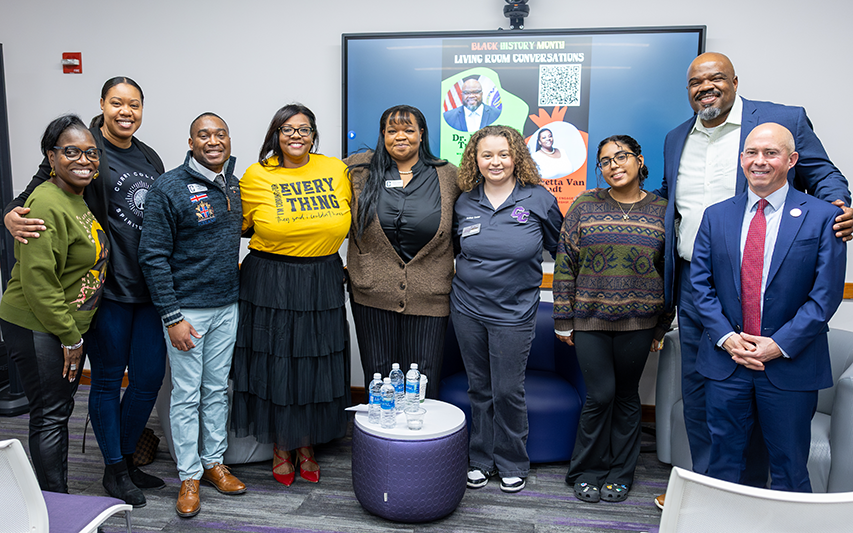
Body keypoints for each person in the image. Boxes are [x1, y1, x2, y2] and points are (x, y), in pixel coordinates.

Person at [654, 52, 852, 507]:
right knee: (705, 397)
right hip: (697, 282)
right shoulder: (675, 137)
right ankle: (709, 490)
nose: (705, 87)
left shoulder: (781, 120)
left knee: (771, 405)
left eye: (716, 78)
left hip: (776, 273)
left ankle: (765, 497)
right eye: (695, 82)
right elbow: (673, 203)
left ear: (735, 81)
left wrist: (839, 211)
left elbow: (823, 175)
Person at [3, 77, 166, 507]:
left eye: (134, 104)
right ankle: (112, 470)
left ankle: (128, 459)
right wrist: (7, 216)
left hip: (146, 289)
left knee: (147, 380)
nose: (125, 111)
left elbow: (165, 218)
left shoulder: (149, 156)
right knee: (105, 383)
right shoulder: (77, 146)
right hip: (104, 293)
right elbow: (28, 199)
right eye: (117, 102)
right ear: (102, 105)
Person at [690, 123, 845, 491]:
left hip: (791, 364)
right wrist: (727, 338)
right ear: (742, 158)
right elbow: (700, 284)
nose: (759, 161)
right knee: (724, 465)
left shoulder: (824, 216)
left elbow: (825, 296)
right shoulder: (716, 215)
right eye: (751, 153)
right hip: (728, 363)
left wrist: (777, 344)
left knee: (790, 466)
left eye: (770, 153)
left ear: (791, 160)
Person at [230, 104, 352, 487]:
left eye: (304, 128)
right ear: (276, 135)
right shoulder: (256, 175)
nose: (296, 135)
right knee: (276, 361)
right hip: (271, 279)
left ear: (314, 134)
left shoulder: (336, 170)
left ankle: (306, 444)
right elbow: (238, 226)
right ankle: (283, 446)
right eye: (287, 129)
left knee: (316, 362)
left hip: (323, 277)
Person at [553, 135, 673, 503]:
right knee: (600, 395)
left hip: (639, 321)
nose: (613, 165)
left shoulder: (662, 210)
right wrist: (562, 317)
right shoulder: (585, 205)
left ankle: (621, 473)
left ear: (639, 161)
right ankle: (587, 470)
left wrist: (661, 325)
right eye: (604, 161)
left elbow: (671, 272)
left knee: (626, 396)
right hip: (590, 318)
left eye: (621, 157)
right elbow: (564, 262)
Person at [138, 113, 245, 518]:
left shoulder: (231, 183)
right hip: (187, 312)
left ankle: (214, 462)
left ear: (229, 140)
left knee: (217, 389)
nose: (213, 141)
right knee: (186, 394)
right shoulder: (169, 188)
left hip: (226, 306)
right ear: (191, 141)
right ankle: (189, 476)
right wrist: (171, 316)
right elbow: (152, 256)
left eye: (220, 134)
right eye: (204, 135)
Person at [0, 114, 108, 493]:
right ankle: (54, 507)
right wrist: (71, 338)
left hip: (59, 326)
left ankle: (55, 497)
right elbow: (38, 283)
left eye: (91, 153)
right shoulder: (45, 202)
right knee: (49, 416)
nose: (84, 160)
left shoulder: (74, 197)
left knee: (57, 413)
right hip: (38, 325)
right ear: (52, 155)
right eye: (72, 152)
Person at [452, 125, 563, 494]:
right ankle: (481, 459)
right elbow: (453, 249)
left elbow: (560, 250)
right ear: (475, 159)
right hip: (466, 309)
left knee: (508, 391)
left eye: (503, 154)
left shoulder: (539, 199)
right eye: (487, 155)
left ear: (516, 157)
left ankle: (513, 461)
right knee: (479, 389)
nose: (495, 162)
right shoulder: (465, 201)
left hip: (514, 315)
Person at [346, 105, 460, 395]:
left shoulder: (448, 176)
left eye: (409, 130)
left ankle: (421, 442)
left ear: (422, 135)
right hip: (371, 294)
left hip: (430, 297)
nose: (401, 136)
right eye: (392, 130)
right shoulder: (358, 170)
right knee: (379, 378)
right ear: (382, 134)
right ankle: (381, 441)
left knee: (423, 380)